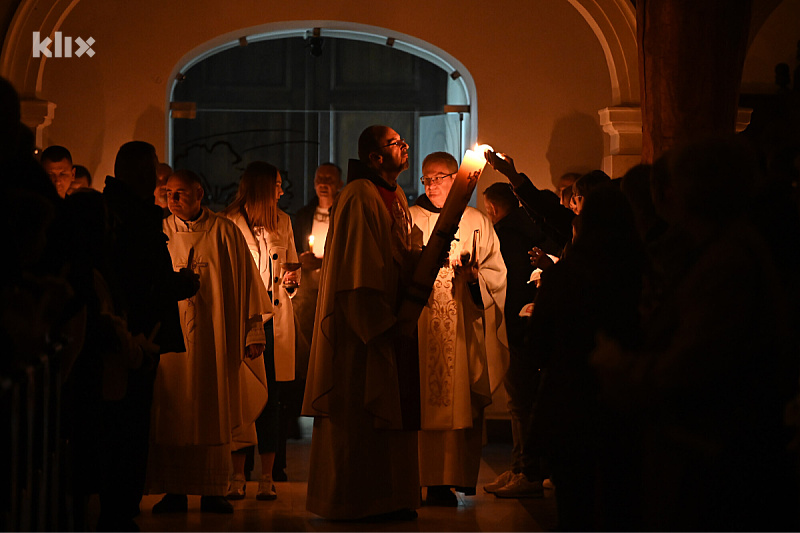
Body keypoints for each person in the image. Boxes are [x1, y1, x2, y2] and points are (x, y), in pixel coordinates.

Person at [302, 125, 419, 521]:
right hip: (362, 327)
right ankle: (353, 500)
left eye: (402, 141)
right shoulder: (358, 196)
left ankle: (389, 497)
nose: (404, 147)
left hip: (391, 315)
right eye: (394, 143)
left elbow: (397, 253)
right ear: (374, 158)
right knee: (358, 415)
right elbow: (357, 268)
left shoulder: (397, 195)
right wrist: (380, 319)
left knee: (390, 414)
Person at [146, 169, 272, 515]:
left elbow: (247, 286)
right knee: (173, 410)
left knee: (213, 407)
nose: (173, 199)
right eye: (169, 192)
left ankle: (214, 489)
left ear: (200, 194)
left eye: (181, 192)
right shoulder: (160, 232)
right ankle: (174, 491)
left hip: (216, 343)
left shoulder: (224, 232)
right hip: (173, 345)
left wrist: (253, 333)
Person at [409, 152, 509, 506]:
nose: (432, 184)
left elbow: (497, 277)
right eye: (426, 179)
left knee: (458, 397)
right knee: (417, 398)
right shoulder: (410, 218)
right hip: (420, 330)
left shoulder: (477, 221)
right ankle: (416, 479)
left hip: (462, 328)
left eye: (438, 177)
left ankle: (449, 480)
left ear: (458, 178)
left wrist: (471, 281)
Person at [223, 161, 299, 500]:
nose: (282, 191)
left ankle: (267, 477)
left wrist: (292, 281)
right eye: (277, 185)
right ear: (262, 189)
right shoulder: (228, 224)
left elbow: (291, 265)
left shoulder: (283, 222)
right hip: (242, 320)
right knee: (241, 398)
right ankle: (237, 475)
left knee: (272, 401)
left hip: (273, 321)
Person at [481, 181, 557, 498]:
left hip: (518, 326)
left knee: (521, 403)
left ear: (493, 209)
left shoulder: (506, 235)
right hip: (529, 325)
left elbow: (507, 285)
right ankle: (518, 467)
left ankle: (527, 471)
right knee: (520, 402)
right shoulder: (531, 229)